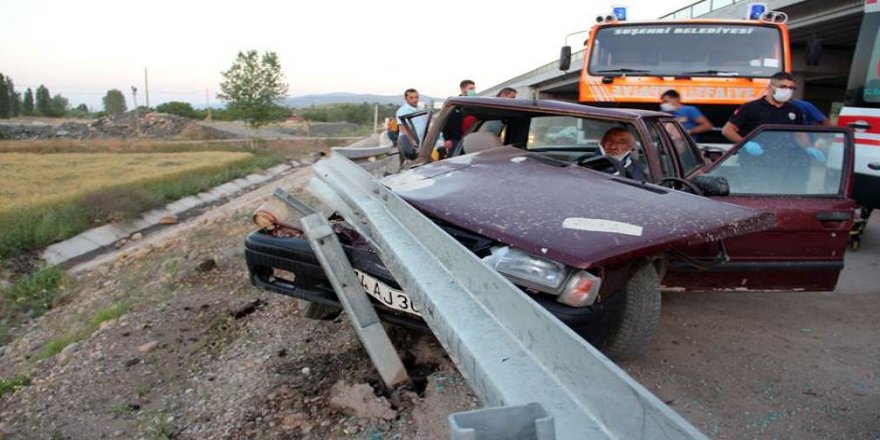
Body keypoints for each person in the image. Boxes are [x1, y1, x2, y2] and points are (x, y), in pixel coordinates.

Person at [722, 71, 826, 190]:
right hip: (754, 162)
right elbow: (727, 130)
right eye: (783, 86)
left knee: (776, 192)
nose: (787, 90)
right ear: (770, 88)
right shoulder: (750, 108)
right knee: (756, 193)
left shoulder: (794, 110)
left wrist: (808, 147)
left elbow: (799, 133)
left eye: (791, 88)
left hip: (781, 161)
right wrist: (746, 144)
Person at [440, 80, 477, 158]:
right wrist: (447, 138)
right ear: (462, 89)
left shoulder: (474, 104)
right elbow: (444, 121)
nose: (473, 91)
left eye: (474, 89)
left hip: (469, 138)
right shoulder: (454, 103)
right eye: (471, 89)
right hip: (455, 139)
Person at [396, 88, 423, 160]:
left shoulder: (421, 109)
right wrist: (414, 147)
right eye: (411, 97)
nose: (414, 100)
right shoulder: (403, 111)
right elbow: (404, 130)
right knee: (409, 168)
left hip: (421, 144)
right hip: (409, 145)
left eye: (416, 97)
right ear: (405, 98)